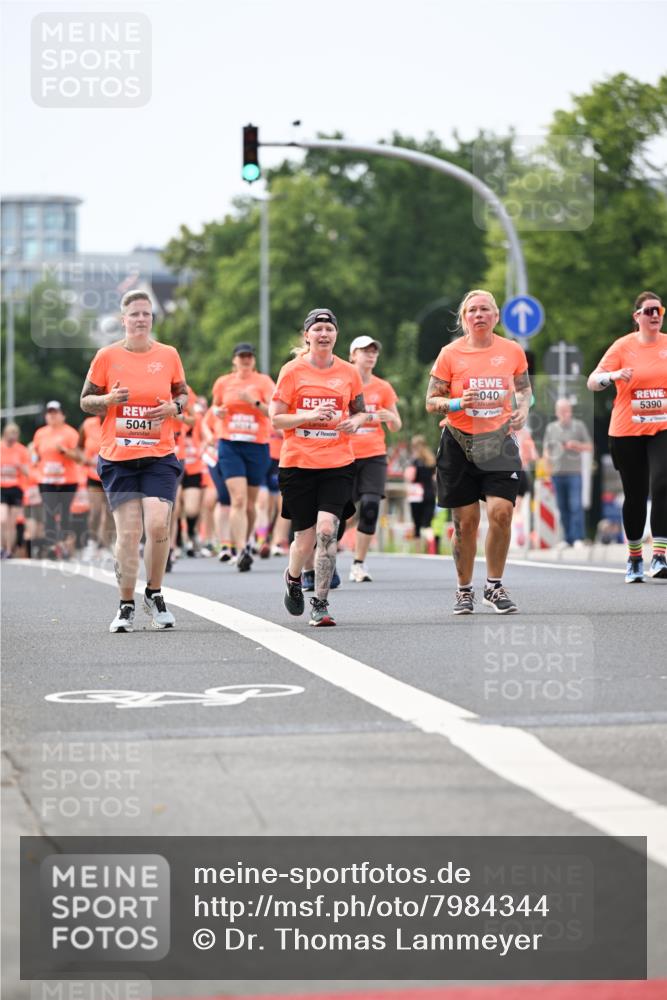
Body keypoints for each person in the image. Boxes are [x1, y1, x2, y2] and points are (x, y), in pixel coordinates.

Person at [80, 290, 188, 632]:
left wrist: (175, 407)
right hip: (119, 457)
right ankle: (125, 604)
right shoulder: (107, 356)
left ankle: (154, 593)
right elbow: (85, 401)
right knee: (129, 534)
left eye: (146, 313)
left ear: (152, 319)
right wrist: (109, 399)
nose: (141, 319)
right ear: (123, 319)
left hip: (159, 455)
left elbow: (183, 392)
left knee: (158, 526)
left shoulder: (168, 354)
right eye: (135, 314)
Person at [426, 288, 531, 614]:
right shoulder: (450, 354)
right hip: (458, 441)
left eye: (485, 309)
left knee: (502, 512)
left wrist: (523, 410)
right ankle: (464, 589)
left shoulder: (512, 351)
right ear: (464, 318)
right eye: (472, 310)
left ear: (496, 316)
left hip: (499, 440)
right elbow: (431, 402)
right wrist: (457, 403)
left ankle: (494, 586)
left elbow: (524, 390)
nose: (479, 315)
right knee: (465, 522)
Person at [270, 307, 368, 626]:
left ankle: (321, 603)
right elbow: (276, 419)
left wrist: (355, 421)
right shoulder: (292, 372)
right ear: (307, 335)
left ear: (336, 335)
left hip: (337, 462)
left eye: (329, 328)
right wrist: (308, 417)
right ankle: (294, 577)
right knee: (304, 540)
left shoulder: (348, 373)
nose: (324, 334)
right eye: (318, 329)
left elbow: (361, 412)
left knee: (328, 531)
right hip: (298, 463)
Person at [587, 290, 667, 582]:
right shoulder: (622, 346)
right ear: (637, 317)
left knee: (662, 483)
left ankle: (659, 555)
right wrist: (614, 375)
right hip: (627, 429)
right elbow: (592, 382)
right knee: (635, 494)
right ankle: (634, 556)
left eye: (658, 310)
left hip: (662, 427)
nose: (655, 315)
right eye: (648, 311)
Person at [211, 344, 275, 571]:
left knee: (250, 504)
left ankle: (246, 542)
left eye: (249, 356)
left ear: (254, 360)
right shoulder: (223, 382)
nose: (246, 360)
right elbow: (215, 407)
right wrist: (217, 412)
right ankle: (240, 551)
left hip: (257, 446)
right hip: (230, 444)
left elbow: (274, 412)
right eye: (242, 357)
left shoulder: (264, 382)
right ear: (234, 360)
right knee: (237, 500)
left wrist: (253, 402)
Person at [346, 335, 401, 581]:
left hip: (374, 454)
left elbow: (397, 425)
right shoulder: (343, 384)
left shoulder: (383, 387)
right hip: (343, 454)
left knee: (370, 506)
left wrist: (388, 415)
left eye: (374, 351)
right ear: (352, 355)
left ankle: (359, 563)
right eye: (364, 351)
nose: (370, 355)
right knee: (339, 512)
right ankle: (323, 558)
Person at [30, 401, 81, 559]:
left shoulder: (71, 433)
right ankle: (52, 545)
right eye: (49, 413)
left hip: (67, 480)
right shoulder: (40, 433)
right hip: (46, 480)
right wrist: (34, 459)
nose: (52, 415)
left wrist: (65, 451)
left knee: (65, 513)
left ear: (62, 415)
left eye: (55, 412)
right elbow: (34, 452)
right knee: (49, 511)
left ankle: (64, 544)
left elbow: (79, 457)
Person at [542, 398, 592, 548]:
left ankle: (578, 538)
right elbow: (546, 450)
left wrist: (577, 445)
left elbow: (589, 446)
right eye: (562, 411)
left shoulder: (579, 426)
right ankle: (567, 538)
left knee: (575, 505)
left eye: (567, 410)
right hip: (557, 473)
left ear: (570, 411)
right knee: (561, 506)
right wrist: (546, 471)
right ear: (557, 412)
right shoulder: (551, 428)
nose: (565, 413)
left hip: (574, 472)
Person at [78, 414, 113, 561]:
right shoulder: (88, 424)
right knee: (96, 512)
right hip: (93, 475)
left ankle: (107, 546)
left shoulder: (116, 419)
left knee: (111, 513)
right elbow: (78, 447)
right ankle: (91, 543)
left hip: (112, 475)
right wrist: (83, 458)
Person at [1, 423, 30, 558]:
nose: (12, 437)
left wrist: (19, 466)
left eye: (14, 434)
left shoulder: (22, 450)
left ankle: (8, 550)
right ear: (5, 434)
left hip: (16, 488)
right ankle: (1, 546)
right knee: (2, 519)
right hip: (2, 488)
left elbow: (28, 472)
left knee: (12, 523)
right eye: (9, 434)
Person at [404, 435, 436, 551]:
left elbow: (409, 478)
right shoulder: (431, 460)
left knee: (417, 523)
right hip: (430, 493)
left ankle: (418, 550)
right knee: (428, 524)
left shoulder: (414, 462)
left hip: (416, 495)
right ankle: (432, 549)